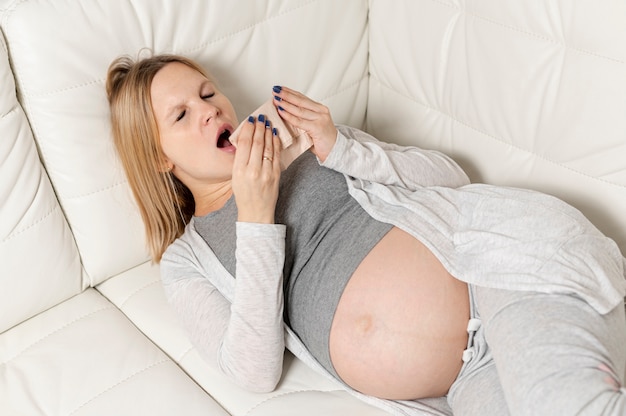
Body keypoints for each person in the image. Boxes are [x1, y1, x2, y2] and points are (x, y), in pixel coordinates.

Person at [106, 52, 626, 416]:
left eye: (207, 93)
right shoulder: (187, 260)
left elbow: (452, 179)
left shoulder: (304, 144)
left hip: (498, 274)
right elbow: (251, 370)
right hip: (459, 381)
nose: (211, 111)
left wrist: (342, 147)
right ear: (159, 158)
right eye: (182, 115)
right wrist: (257, 219)